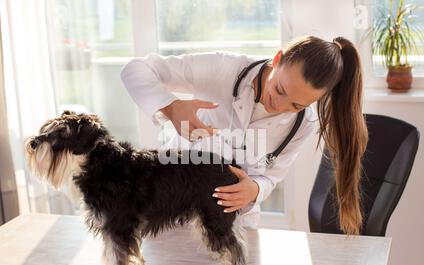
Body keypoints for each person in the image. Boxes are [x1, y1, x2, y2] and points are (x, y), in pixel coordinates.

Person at [120, 35, 368, 235]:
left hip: (235, 226)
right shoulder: (224, 69)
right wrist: (170, 106)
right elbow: (135, 69)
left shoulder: (304, 123)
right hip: (172, 213)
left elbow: (271, 176)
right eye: (279, 89)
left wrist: (255, 190)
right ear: (278, 58)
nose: (279, 106)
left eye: (296, 105)